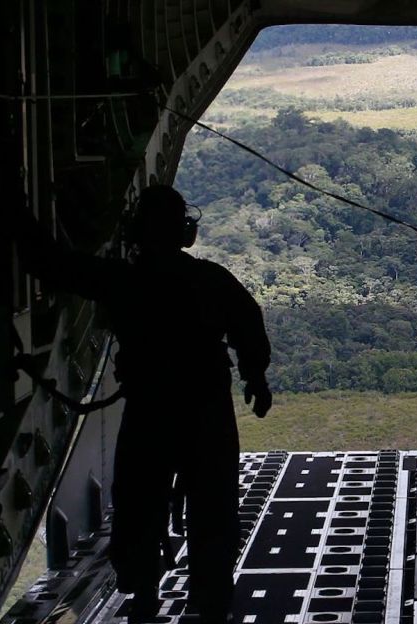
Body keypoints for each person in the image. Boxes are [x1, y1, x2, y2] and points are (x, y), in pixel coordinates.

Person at [14, 185, 272, 623]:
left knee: (138, 504)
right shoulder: (210, 279)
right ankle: (209, 601)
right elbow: (248, 323)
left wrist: (15, 210)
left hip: (150, 410)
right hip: (205, 410)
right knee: (213, 508)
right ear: (184, 233)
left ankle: (145, 591)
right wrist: (256, 378)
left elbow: (54, 265)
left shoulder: (122, 281)